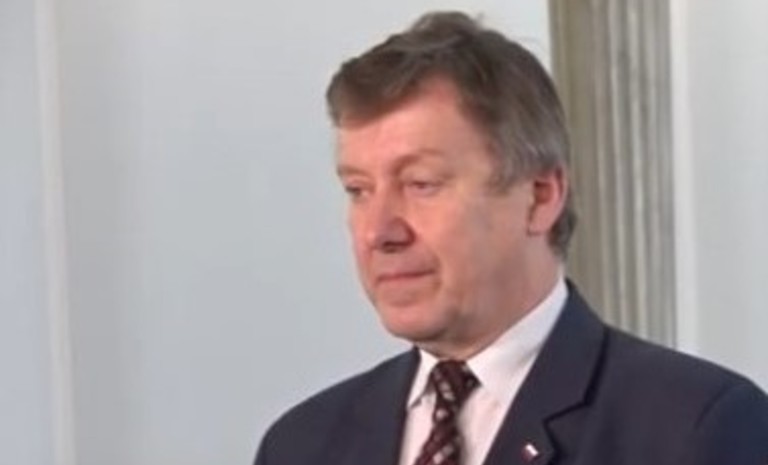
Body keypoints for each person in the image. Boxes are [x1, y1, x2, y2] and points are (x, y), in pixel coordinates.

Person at [254, 11, 768, 465]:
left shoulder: (696, 429)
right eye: (358, 190)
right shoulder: (301, 445)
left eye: (420, 184)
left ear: (540, 196)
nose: (378, 231)